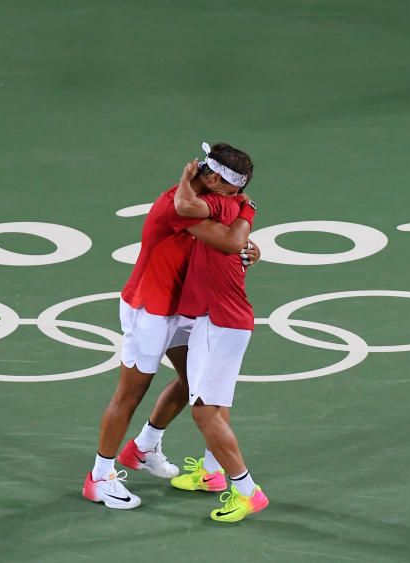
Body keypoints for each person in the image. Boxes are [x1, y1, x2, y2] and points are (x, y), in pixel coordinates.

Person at [82, 148, 259, 510]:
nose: (234, 197)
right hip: (148, 310)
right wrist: (244, 226)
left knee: (195, 385)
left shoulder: (207, 198)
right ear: (212, 179)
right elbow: (228, 239)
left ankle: (143, 447)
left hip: (182, 309)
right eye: (230, 189)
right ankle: (99, 478)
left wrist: (251, 248)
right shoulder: (179, 205)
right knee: (129, 394)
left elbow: (230, 240)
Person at [170, 143, 269, 523]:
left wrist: (184, 178)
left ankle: (246, 491)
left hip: (220, 322)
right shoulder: (236, 206)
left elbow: (182, 208)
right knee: (217, 404)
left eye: (208, 174)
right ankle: (212, 472)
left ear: (217, 180)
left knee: (204, 412)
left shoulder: (222, 206)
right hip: (225, 320)